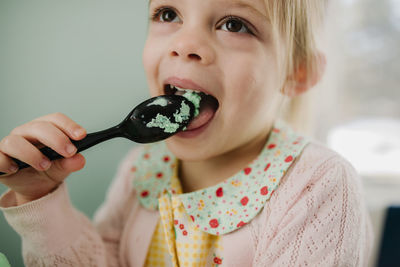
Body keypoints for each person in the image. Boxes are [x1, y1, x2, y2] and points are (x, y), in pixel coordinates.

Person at [0, 0, 373, 266]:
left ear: (298, 72)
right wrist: (41, 197)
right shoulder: (143, 169)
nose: (184, 45)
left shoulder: (317, 186)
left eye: (234, 24)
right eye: (168, 14)